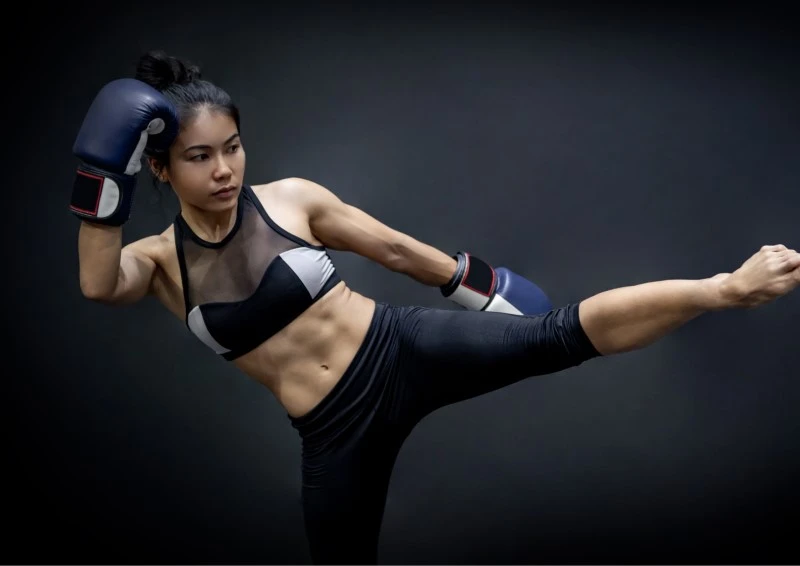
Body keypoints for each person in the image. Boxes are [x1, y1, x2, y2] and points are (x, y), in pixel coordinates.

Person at [70, 50, 800, 564]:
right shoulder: (158, 262)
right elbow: (99, 284)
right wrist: (102, 181)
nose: (225, 168)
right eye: (200, 157)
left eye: (232, 147)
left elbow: (394, 251)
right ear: (158, 167)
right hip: (331, 432)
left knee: (558, 335)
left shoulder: (291, 199)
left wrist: (483, 288)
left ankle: (725, 288)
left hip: (401, 348)